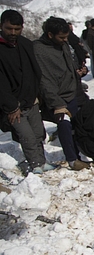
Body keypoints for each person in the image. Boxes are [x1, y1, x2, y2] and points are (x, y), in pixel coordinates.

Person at [0, 10, 55, 174]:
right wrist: (11, 106)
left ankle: (42, 161)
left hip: (31, 100)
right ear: (1, 26)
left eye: (17, 29)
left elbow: (34, 72)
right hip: (13, 105)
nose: (13, 33)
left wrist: (37, 94)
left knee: (38, 133)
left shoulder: (24, 44)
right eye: (9, 28)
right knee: (27, 136)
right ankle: (35, 164)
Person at [33, 16, 89, 171]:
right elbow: (44, 80)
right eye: (61, 37)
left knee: (76, 125)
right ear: (50, 35)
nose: (65, 40)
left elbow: (68, 63)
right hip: (57, 96)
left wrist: (77, 72)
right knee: (64, 124)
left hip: (72, 91)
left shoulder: (62, 44)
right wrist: (56, 102)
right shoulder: (39, 50)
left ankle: (78, 154)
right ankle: (72, 159)